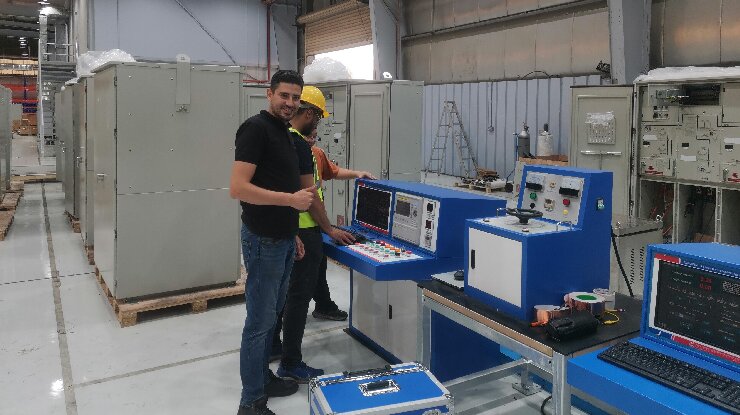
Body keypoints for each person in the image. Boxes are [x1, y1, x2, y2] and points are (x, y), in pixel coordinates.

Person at [230, 70, 317, 415]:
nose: (290, 103)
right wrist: (290, 202)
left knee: (271, 316)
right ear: (269, 94)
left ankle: (263, 379)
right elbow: (238, 188)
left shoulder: (284, 133)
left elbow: (277, 181)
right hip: (262, 240)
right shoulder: (255, 129)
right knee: (259, 321)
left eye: (295, 98)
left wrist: (292, 231)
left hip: (281, 239)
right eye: (284, 95)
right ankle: (251, 401)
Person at [273, 85, 357, 383]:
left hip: (287, 228)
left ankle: (274, 346)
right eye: (318, 118)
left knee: (284, 292)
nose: (318, 124)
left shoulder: (281, 138)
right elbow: (311, 196)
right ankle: (291, 362)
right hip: (305, 230)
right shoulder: (299, 146)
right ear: (309, 114)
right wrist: (329, 229)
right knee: (298, 297)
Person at [307, 128, 375, 321]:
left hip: (316, 225)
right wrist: (330, 230)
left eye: (314, 136)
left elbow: (334, 171)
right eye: (308, 135)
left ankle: (323, 306)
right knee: (300, 280)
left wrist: (357, 173)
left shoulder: (317, 153)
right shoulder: (289, 153)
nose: (311, 140)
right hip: (299, 227)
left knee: (318, 267)